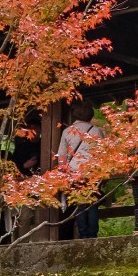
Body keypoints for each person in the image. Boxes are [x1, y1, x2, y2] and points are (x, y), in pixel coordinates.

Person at [57, 102, 103, 239]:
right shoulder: (97, 131)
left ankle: (83, 234)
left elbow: (62, 156)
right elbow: (104, 153)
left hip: (74, 172)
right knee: (92, 204)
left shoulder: (67, 131)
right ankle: (93, 234)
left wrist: (63, 174)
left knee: (80, 205)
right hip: (92, 172)